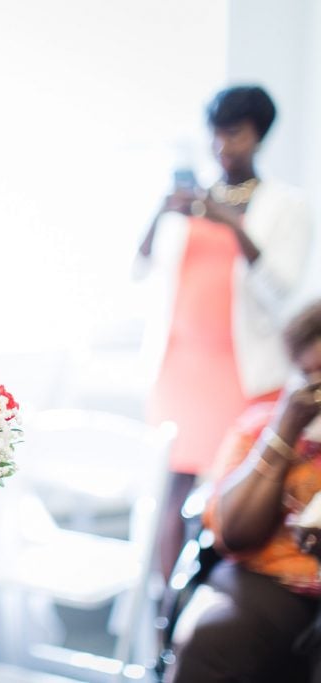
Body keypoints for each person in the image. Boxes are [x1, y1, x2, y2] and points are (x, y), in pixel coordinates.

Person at [135, 85, 314, 578]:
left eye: (233, 135)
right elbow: (140, 269)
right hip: (180, 367)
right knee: (170, 489)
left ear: (258, 136)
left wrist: (232, 225)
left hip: (243, 370)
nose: (221, 147)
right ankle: (160, 608)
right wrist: (159, 211)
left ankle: (210, 590)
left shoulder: (288, 206)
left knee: (230, 489)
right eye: (215, 135)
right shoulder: (192, 199)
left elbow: (282, 291)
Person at [166, 300, 321, 682]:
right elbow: (234, 534)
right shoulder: (261, 428)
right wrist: (283, 434)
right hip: (269, 581)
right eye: (309, 377)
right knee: (213, 639)